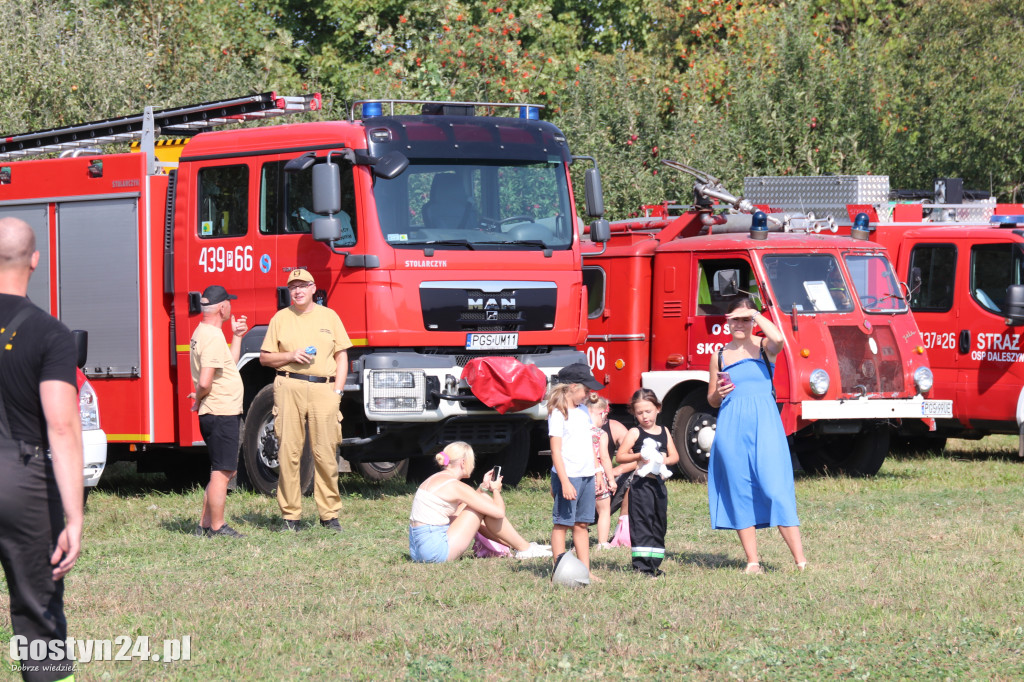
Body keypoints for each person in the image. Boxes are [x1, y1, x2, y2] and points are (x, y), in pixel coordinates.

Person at [0, 216, 83, 681]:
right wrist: (73, 518)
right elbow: (63, 425)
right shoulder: (49, 332)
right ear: (35, 260)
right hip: (21, 480)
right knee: (38, 620)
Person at [707, 297, 807, 574]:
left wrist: (754, 312)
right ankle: (753, 561)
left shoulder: (764, 347)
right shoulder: (719, 356)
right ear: (726, 322)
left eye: (744, 319)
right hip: (730, 426)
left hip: (765, 425)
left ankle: (800, 561)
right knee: (740, 491)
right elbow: (712, 400)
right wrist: (718, 393)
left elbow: (780, 339)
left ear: (752, 321)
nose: (739, 324)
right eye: (734, 319)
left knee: (777, 489)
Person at [259, 268, 352, 532]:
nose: (298, 291)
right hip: (289, 387)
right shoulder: (280, 318)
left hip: (325, 390)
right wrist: (291, 355)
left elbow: (342, 356)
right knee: (288, 453)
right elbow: (265, 358)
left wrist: (338, 392)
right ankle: (291, 516)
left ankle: (329, 515)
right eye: (293, 287)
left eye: (303, 285)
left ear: (314, 289)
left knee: (325, 453)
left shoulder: (330, 316)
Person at [408, 441, 551, 563]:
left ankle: (521, 546)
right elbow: (498, 512)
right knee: (484, 501)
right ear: (463, 462)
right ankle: (524, 549)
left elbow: (468, 503)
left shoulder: (435, 479)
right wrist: (495, 490)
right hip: (435, 553)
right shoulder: (454, 485)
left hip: (419, 552)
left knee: (474, 503)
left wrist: (482, 488)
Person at [188, 285, 247, 538]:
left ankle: (205, 524)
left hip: (220, 410)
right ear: (223, 307)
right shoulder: (211, 337)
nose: (231, 307)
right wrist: (199, 397)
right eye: (229, 303)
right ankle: (217, 527)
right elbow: (205, 381)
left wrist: (237, 336)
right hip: (220, 411)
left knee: (221, 469)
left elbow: (228, 366)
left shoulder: (205, 333)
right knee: (222, 472)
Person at [547, 362, 604, 580]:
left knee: (582, 523)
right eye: (586, 390)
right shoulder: (558, 414)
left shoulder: (583, 412)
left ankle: (585, 571)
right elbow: (556, 450)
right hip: (568, 475)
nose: (588, 394)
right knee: (563, 522)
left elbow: (591, 443)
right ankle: (559, 571)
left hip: (587, 474)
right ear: (572, 387)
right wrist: (564, 481)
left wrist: (597, 471)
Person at [615, 389, 679, 577]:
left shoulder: (664, 431)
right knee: (642, 523)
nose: (645, 416)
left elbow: (675, 456)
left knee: (659, 522)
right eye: (640, 413)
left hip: (658, 485)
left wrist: (662, 460)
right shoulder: (635, 432)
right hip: (641, 485)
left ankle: (655, 564)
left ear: (657, 409)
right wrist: (640, 456)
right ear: (634, 414)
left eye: (648, 411)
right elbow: (620, 456)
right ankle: (642, 567)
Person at [585, 394, 617, 550]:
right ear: (602, 413)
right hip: (598, 479)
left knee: (580, 512)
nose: (604, 423)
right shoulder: (600, 434)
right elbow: (604, 458)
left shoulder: (578, 431)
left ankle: (579, 538)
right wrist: (611, 480)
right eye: (605, 419)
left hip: (580, 476)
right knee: (604, 510)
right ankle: (602, 542)